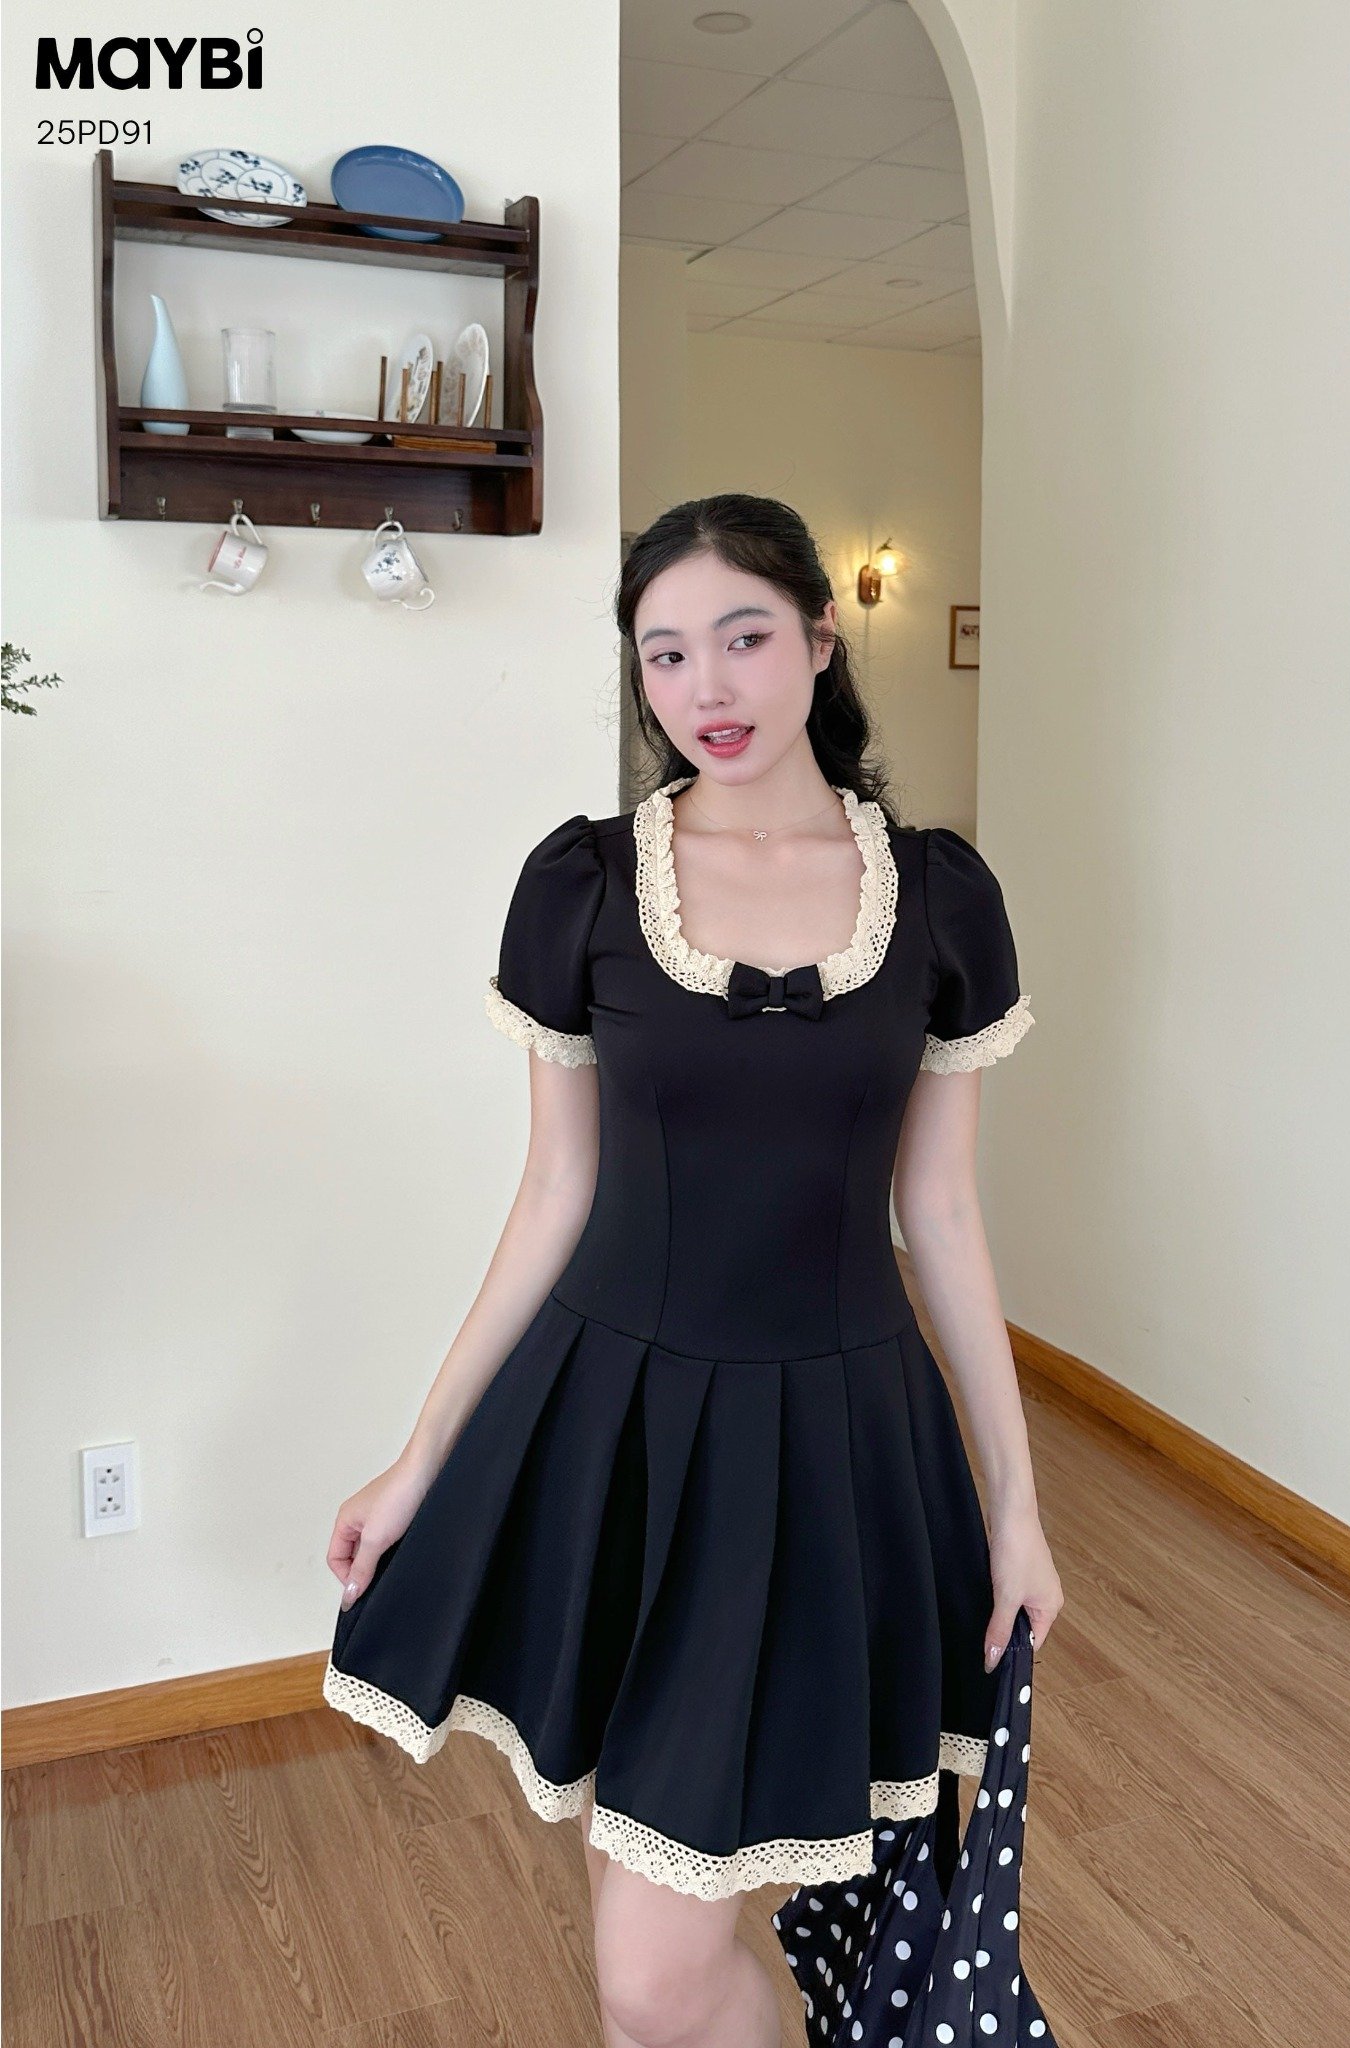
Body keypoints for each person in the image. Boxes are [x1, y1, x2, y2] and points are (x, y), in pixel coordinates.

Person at [322, 493, 1064, 2048]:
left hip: (838, 1441)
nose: (706, 688)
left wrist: (1016, 1508)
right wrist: (420, 1455)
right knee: (650, 1956)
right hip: (620, 1428)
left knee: (658, 1966)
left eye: (742, 638)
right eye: (664, 654)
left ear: (820, 638)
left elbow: (942, 1213)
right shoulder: (586, 883)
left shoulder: (940, 896)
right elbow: (555, 1190)